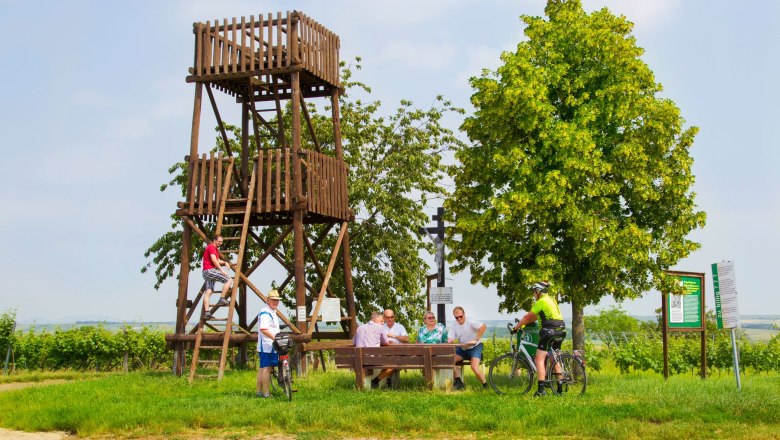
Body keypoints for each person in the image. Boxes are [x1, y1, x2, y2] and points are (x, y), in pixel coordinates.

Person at [513, 281, 566, 397]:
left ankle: (541, 391)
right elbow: (534, 317)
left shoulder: (541, 301)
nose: (533, 294)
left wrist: (516, 328)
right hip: (561, 330)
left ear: (538, 291)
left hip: (549, 331)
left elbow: (527, 317)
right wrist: (523, 324)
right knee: (553, 359)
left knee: (539, 359)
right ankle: (560, 390)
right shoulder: (551, 300)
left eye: (534, 292)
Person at [448, 306, 488, 390]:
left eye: (460, 316)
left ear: (464, 314)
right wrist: (450, 340)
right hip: (462, 348)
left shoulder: (470, 320)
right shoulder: (454, 325)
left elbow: (483, 327)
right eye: (456, 317)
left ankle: (485, 386)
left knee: (474, 367)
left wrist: (476, 339)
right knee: (449, 361)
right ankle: (459, 382)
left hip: (475, 347)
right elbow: (450, 338)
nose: (459, 319)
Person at [354, 311, 393, 389]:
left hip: (359, 359)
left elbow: (354, 342)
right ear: (375, 319)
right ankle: (375, 381)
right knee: (393, 365)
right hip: (373, 359)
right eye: (382, 321)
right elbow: (386, 342)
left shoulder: (360, 328)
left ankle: (362, 385)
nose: (383, 323)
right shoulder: (380, 327)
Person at [256, 289, 281, 398]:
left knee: (263, 368)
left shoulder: (271, 311)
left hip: (268, 345)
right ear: (267, 300)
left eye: (277, 300)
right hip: (267, 345)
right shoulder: (265, 312)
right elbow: (264, 329)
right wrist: (275, 338)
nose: (275, 302)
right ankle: (266, 393)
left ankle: (259, 391)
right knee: (267, 368)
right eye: (273, 300)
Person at [201, 235, 233, 319]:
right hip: (209, 270)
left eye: (221, 242)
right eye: (219, 241)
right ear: (214, 240)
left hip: (205, 272)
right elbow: (214, 260)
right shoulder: (211, 247)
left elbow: (218, 260)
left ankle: (206, 312)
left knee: (209, 291)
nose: (220, 243)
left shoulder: (215, 249)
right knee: (229, 280)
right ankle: (222, 298)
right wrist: (221, 270)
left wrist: (225, 262)